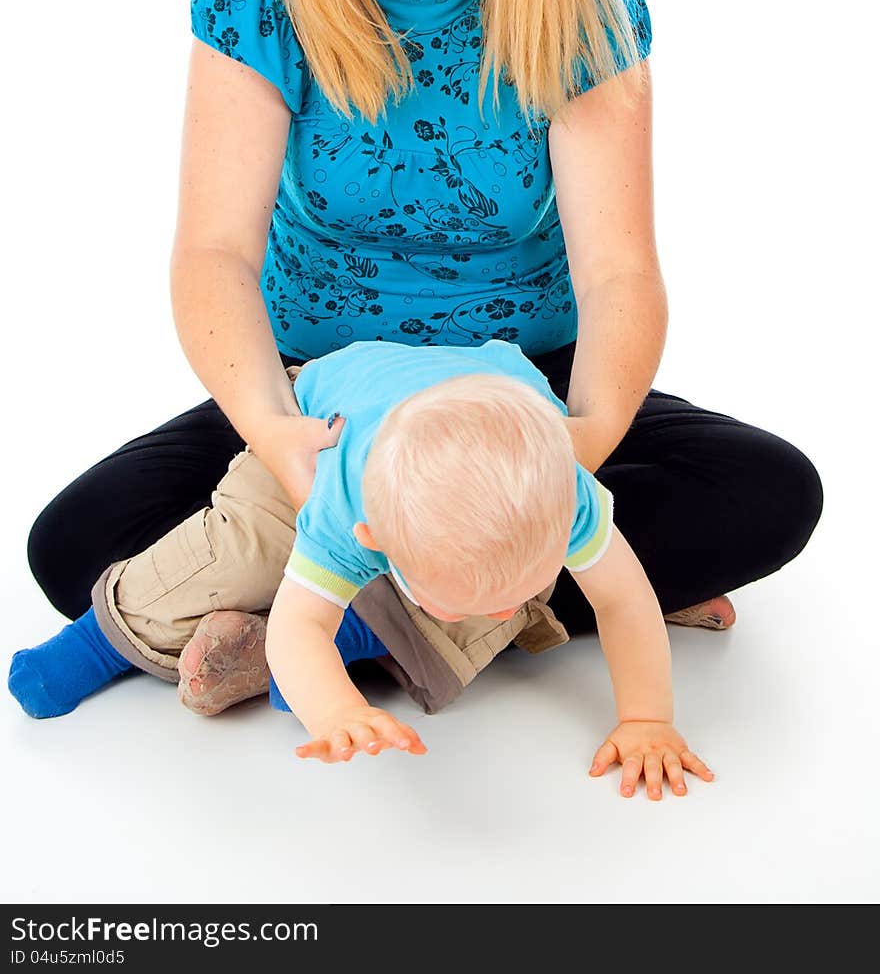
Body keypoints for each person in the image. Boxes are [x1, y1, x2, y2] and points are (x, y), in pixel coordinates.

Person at [24, 0, 823, 791]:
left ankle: (336, 623)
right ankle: (512, 602)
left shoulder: (584, 2)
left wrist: (574, 450)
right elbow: (213, 252)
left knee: (773, 492)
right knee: (74, 547)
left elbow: (617, 273)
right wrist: (273, 434)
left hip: (524, 391)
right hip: (326, 393)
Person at [11, 339, 714, 798]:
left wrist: (648, 717)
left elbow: (624, 601)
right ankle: (101, 637)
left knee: (503, 620)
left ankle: (346, 642)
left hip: (499, 436)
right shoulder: (343, 500)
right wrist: (336, 711)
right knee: (237, 548)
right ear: (373, 539)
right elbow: (298, 622)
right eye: (489, 595)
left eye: (521, 584)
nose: (502, 608)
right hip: (320, 430)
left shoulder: (564, 495)